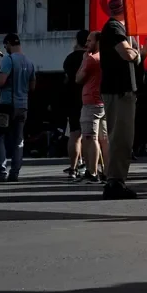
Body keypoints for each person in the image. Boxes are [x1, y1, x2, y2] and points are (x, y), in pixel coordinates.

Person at [99, 0, 147, 200]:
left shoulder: (119, 28)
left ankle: (116, 181)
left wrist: (142, 50)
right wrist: (140, 50)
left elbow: (132, 55)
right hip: (119, 91)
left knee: (124, 139)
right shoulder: (114, 28)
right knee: (121, 138)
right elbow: (127, 55)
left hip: (123, 91)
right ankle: (115, 183)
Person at [0, 34, 36, 182]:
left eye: (5, 46)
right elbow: (32, 86)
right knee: (18, 140)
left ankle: (1, 171)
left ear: (9, 44)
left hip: (6, 105)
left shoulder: (8, 60)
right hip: (23, 106)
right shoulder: (29, 63)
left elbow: (0, 82)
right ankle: (15, 172)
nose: (6, 49)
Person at [77, 32, 108, 184]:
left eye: (89, 41)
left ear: (97, 42)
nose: (86, 44)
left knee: (90, 137)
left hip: (91, 102)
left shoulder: (91, 59)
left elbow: (78, 78)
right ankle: (108, 172)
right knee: (104, 139)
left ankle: (92, 172)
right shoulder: (105, 57)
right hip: (103, 102)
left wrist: (84, 61)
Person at [63, 30, 90, 181]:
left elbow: (67, 79)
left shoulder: (69, 59)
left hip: (72, 100)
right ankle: (88, 166)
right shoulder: (91, 58)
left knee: (74, 135)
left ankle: (73, 168)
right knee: (90, 135)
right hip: (88, 99)